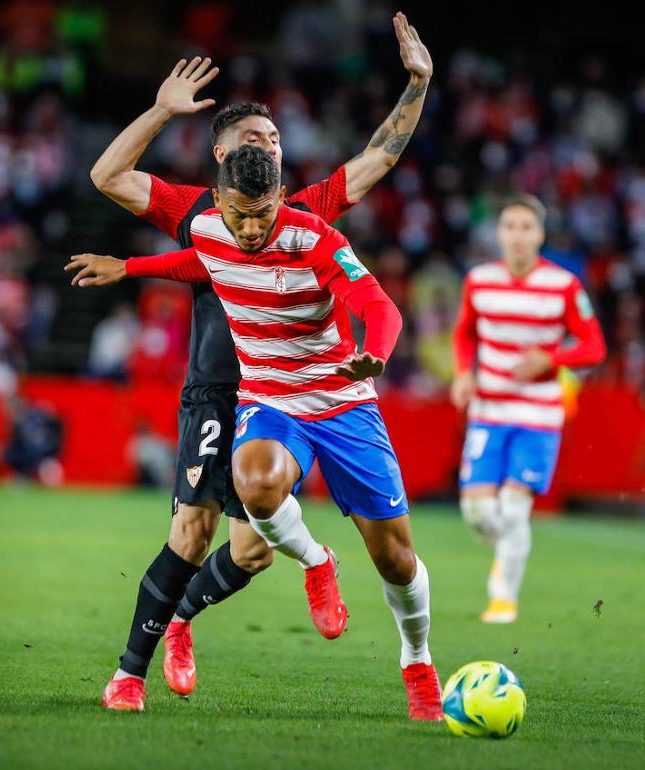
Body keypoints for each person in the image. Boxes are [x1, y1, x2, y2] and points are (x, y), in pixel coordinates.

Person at [83, 12, 433, 711]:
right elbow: (123, 190)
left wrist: (418, 83)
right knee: (191, 532)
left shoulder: (306, 216)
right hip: (228, 390)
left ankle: (191, 616)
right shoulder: (201, 215)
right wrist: (159, 112)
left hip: (324, 389)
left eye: (275, 140)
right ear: (221, 163)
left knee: (251, 553)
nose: (268, 146)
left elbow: (380, 158)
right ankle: (130, 672)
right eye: (254, 139)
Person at [450, 195, 606, 623]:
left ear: (539, 234)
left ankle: (503, 599)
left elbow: (594, 346)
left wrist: (551, 359)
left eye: (526, 227)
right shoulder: (479, 280)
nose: (517, 236)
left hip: (539, 413)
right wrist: (464, 373)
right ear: (499, 233)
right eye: (509, 227)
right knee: (479, 513)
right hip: (488, 409)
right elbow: (464, 335)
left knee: (515, 507)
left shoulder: (564, 286)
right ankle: (511, 542)